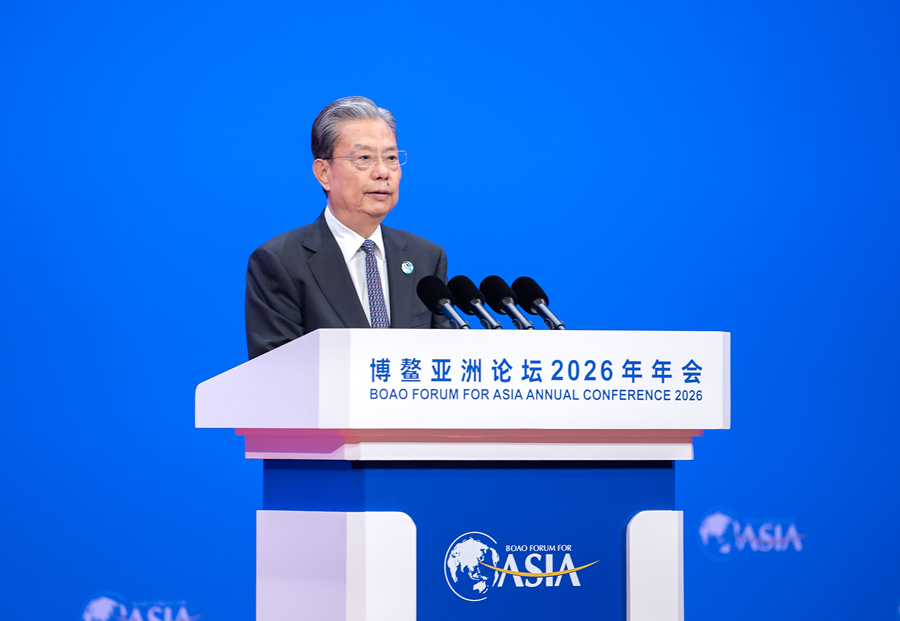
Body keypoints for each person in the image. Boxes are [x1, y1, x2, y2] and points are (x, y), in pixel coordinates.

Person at [245, 96, 450, 359]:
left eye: (390, 157)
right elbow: (278, 374)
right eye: (364, 157)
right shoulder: (280, 262)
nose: (382, 172)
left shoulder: (426, 258)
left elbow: (443, 362)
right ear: (323, 173)